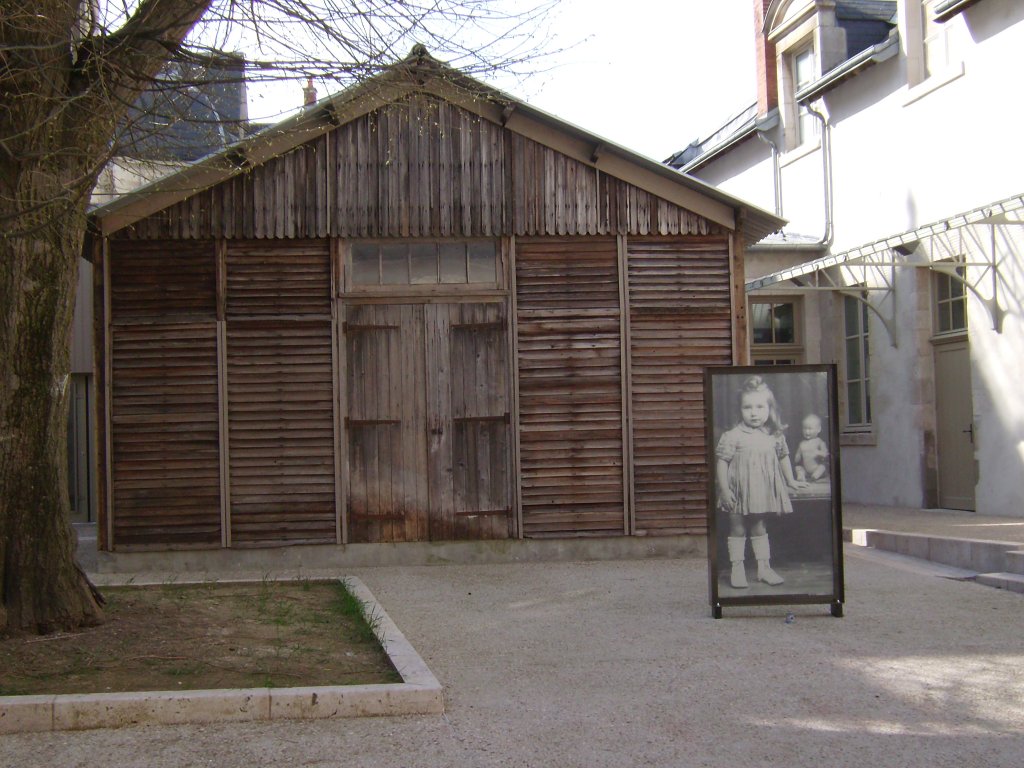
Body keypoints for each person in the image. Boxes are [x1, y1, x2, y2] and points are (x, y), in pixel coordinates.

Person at [715, 375, 807, 589]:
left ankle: (764, 568)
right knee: (737, 528)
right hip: (738, 491)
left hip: (760, 491)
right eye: (748, 407)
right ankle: (737, 569)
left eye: (759, 406)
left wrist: (791, 480)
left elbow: (784, 456)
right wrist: (726, 490)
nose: (754, 412)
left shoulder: (775, 435)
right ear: (740, 410)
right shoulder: (733, 436)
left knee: (759, 527)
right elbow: (722, 463)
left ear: (770, 408)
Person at [793, 413, 829, 482]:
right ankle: (801, 476)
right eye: (805, 428)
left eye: (810, 429)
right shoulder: (802, 444)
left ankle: (815, 476)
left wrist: (819, 453)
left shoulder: (819, 441)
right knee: (798, 467)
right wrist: (797, 457)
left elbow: (826, 454)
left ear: (818, 429)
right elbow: (797, 459)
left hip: (817, 468)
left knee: (823, 467)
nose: (807, 431)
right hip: (806, 470)